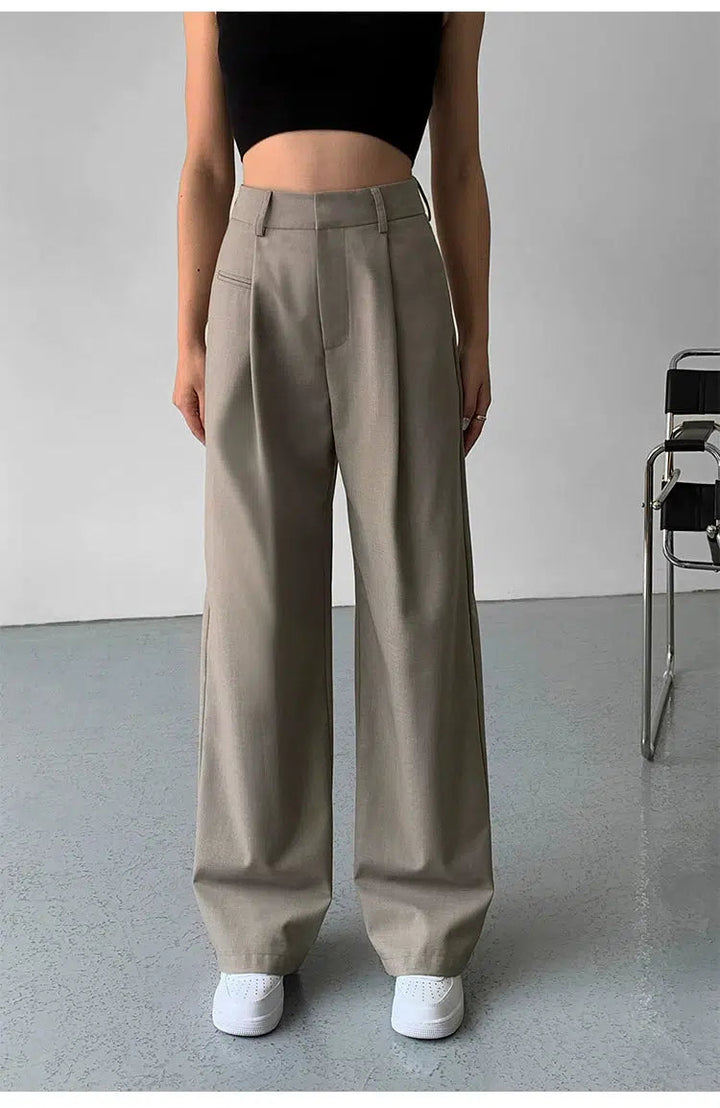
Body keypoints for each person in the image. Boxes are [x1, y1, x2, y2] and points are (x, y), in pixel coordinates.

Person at [174, 11, 493, 1041]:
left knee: (418, 595)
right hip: (254, 264)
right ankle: (255, 923)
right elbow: (204, 162)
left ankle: (428, 923)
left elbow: (460, 160)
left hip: (395, 257)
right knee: (255, 604)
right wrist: (188, 330)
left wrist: (476, 330)